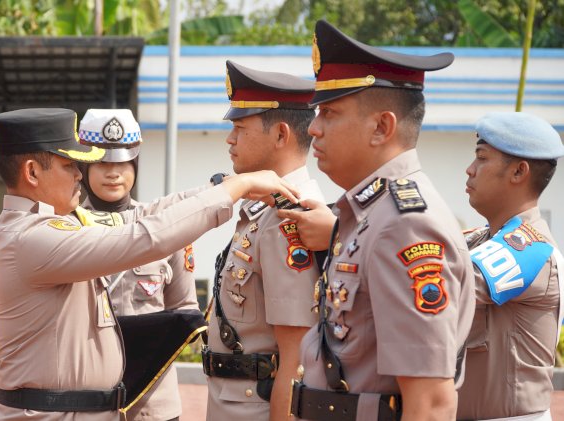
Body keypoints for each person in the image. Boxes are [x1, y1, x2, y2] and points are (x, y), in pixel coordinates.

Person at [0, 107, 299, 421]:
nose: (79, 175)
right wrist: (236, 188)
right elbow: (145, 236)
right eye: (69, 165)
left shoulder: (45, 229)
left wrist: (222, 187)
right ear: (31, 172)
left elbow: (144, 215)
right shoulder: (34, 237)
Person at [281, 20, 475, 421]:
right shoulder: (368, 215)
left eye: (330, 112)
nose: (314, 128)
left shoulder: (406, 225)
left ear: (382, 127)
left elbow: (431, 404)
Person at [202, 61, 325, 421]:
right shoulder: (264, 211)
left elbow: (296, 355)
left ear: (281, 135)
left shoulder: (286, 218)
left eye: (240, 128)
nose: (230, 139)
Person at [78, 108, 197, 421]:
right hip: (84, 398)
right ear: (83, 166)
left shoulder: (166, 226)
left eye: (123, 162)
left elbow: (183, 308)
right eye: (102, 162)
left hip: (153, 405)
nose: (114, 172)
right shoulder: (64, 229)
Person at [456, 112, 564, 420]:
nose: (470, 169)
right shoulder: (480, 239)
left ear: (519, 172)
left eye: (481, 158)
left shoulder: (530, 248)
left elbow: (441, 283)